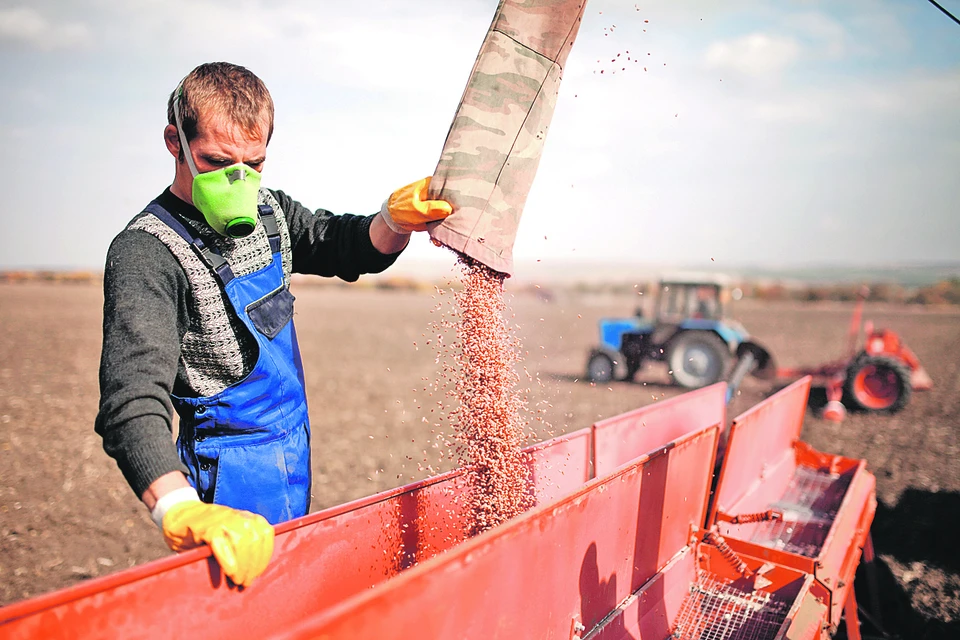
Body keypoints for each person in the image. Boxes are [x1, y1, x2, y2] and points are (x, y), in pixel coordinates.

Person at [94, 62, 452, 587]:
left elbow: (344, 245)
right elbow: (131, 402)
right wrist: (179, 508)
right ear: (176, 141)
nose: (237, 181)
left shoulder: (270, 213)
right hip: (227, 476)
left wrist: (394, 221)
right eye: (216, 162)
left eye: (253, 164)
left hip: (291, 449)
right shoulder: (147, 253)